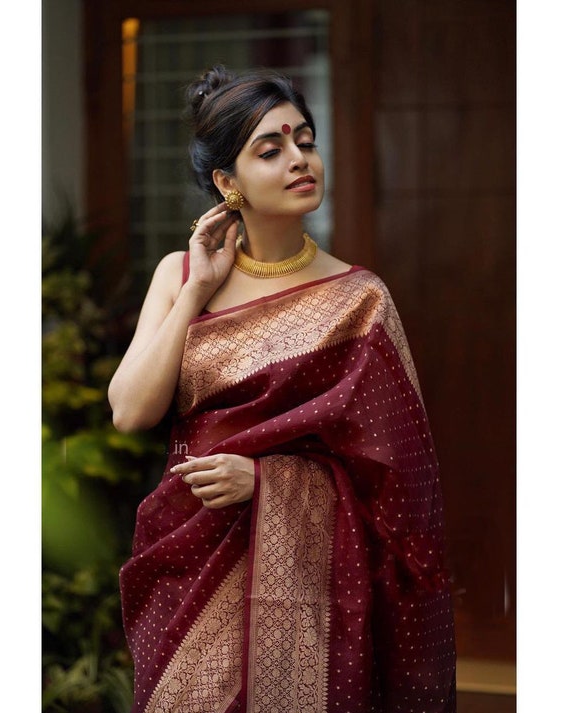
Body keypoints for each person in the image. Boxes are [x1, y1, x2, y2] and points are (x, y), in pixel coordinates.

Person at [109, 65, 457, 713]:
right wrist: (197, 291)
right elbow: (130, 411)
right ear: (227, 183)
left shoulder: (358, 300)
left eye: (306, 141)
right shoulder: (179, 274)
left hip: (309, 574)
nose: (300, 159)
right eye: (270, 150)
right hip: (192, 551)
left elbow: (398, 479)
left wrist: (266, 482)